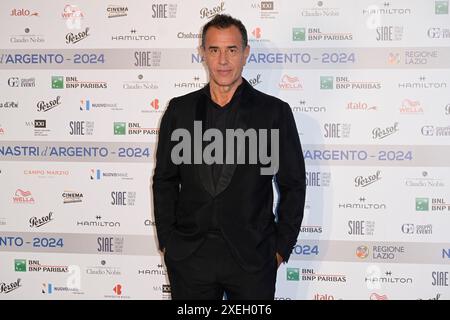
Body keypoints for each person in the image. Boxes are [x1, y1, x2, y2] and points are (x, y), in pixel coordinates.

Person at [152, 14, 306, 300]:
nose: (223, 60)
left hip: (252, 259)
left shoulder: (273, 113)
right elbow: (165, 180)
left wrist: (280, 249)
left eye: (231, 50)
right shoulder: (180, 111)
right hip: (190, 258)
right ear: (203, 54)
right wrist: (169, 243)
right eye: (214, 50)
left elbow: (293, 184)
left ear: (245, 53)